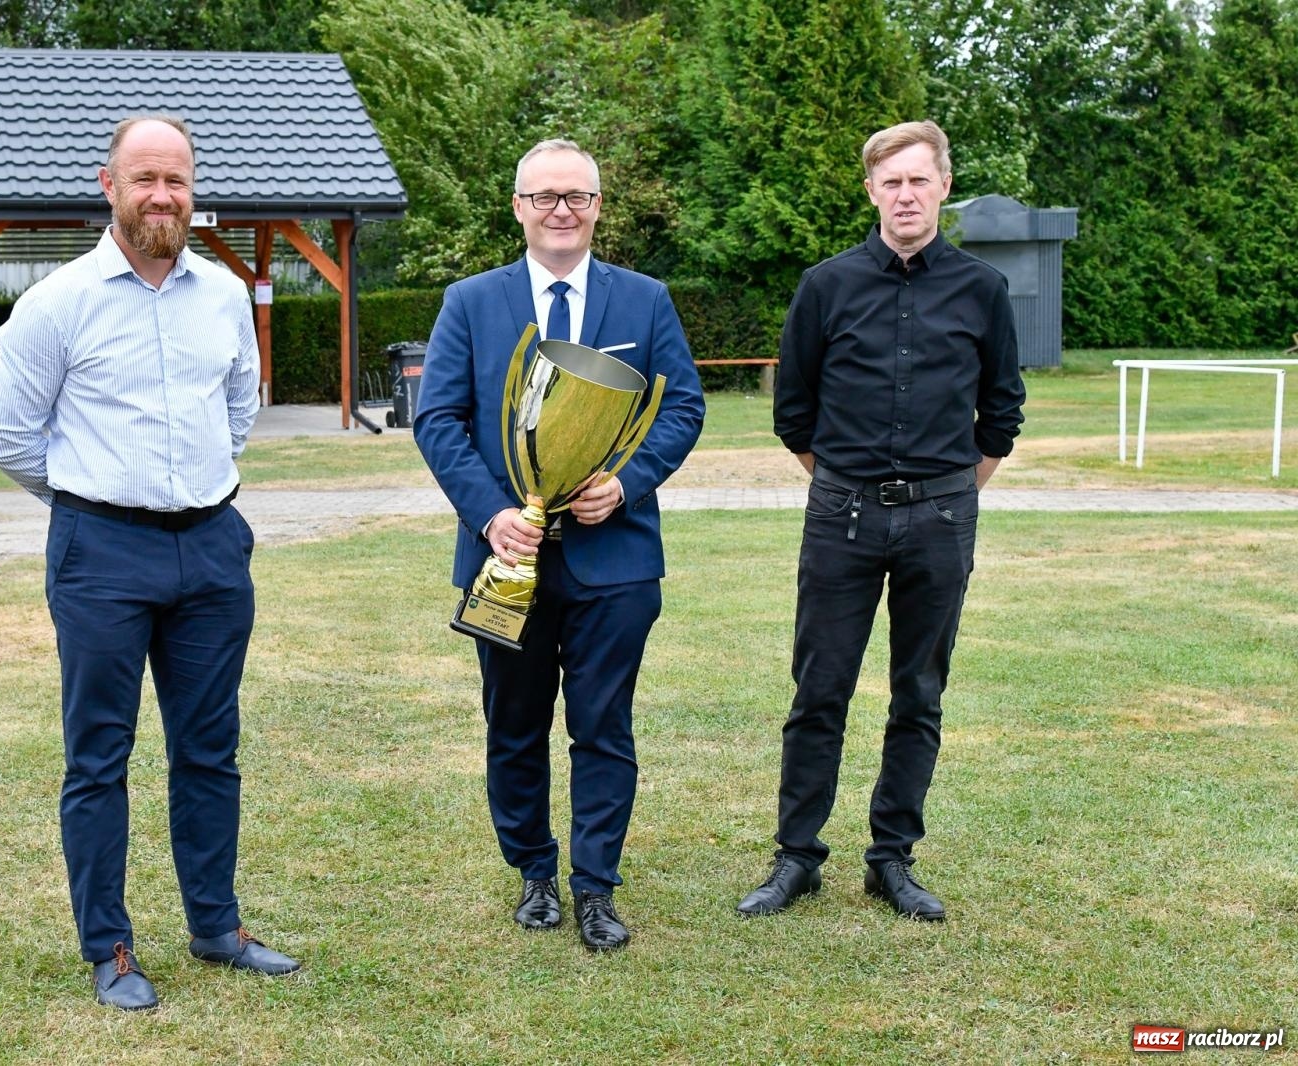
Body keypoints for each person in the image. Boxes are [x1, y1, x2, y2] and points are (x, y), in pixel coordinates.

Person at [0, 115, 299, 1011]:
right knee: (99, 757)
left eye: (178, 180)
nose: (163, 195)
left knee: (211, 749)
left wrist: (190, 486)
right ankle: (110, 947)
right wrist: (93, 499)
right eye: (145, 179)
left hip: (210, 545)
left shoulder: (225, 296)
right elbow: (7, 436)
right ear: (108, 185)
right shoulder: (57, 304)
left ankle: (216, 926)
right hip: (100, 552)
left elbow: (240, 406)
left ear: (194, 189)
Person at [414, 139, 705, 951]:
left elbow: (682, 408)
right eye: (544, 197)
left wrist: (630, 481)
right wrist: (487, 514)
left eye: (576, 196)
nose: (561, 210)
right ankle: (534, 873)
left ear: (598, 206)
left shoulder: (645, 300)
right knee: (513, 723)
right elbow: (437, 419)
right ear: (519, 208)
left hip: (615, 561)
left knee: (604, 726)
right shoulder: (471, 302)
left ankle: (596, 885)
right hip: (504, 556)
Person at [739, 120, 1025, 922]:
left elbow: (1000, 415)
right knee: (819, 688)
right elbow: (793, 415)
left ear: (942, 187)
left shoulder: (981, 290)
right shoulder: (826, 285)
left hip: (941, 515)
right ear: (871, 191)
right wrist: (848, 486)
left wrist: (948, 491)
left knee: (919, 692)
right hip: (842, 513)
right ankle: (797, 857)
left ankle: (891, 859)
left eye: (919, 180)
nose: (905, 194)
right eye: (890, 181)